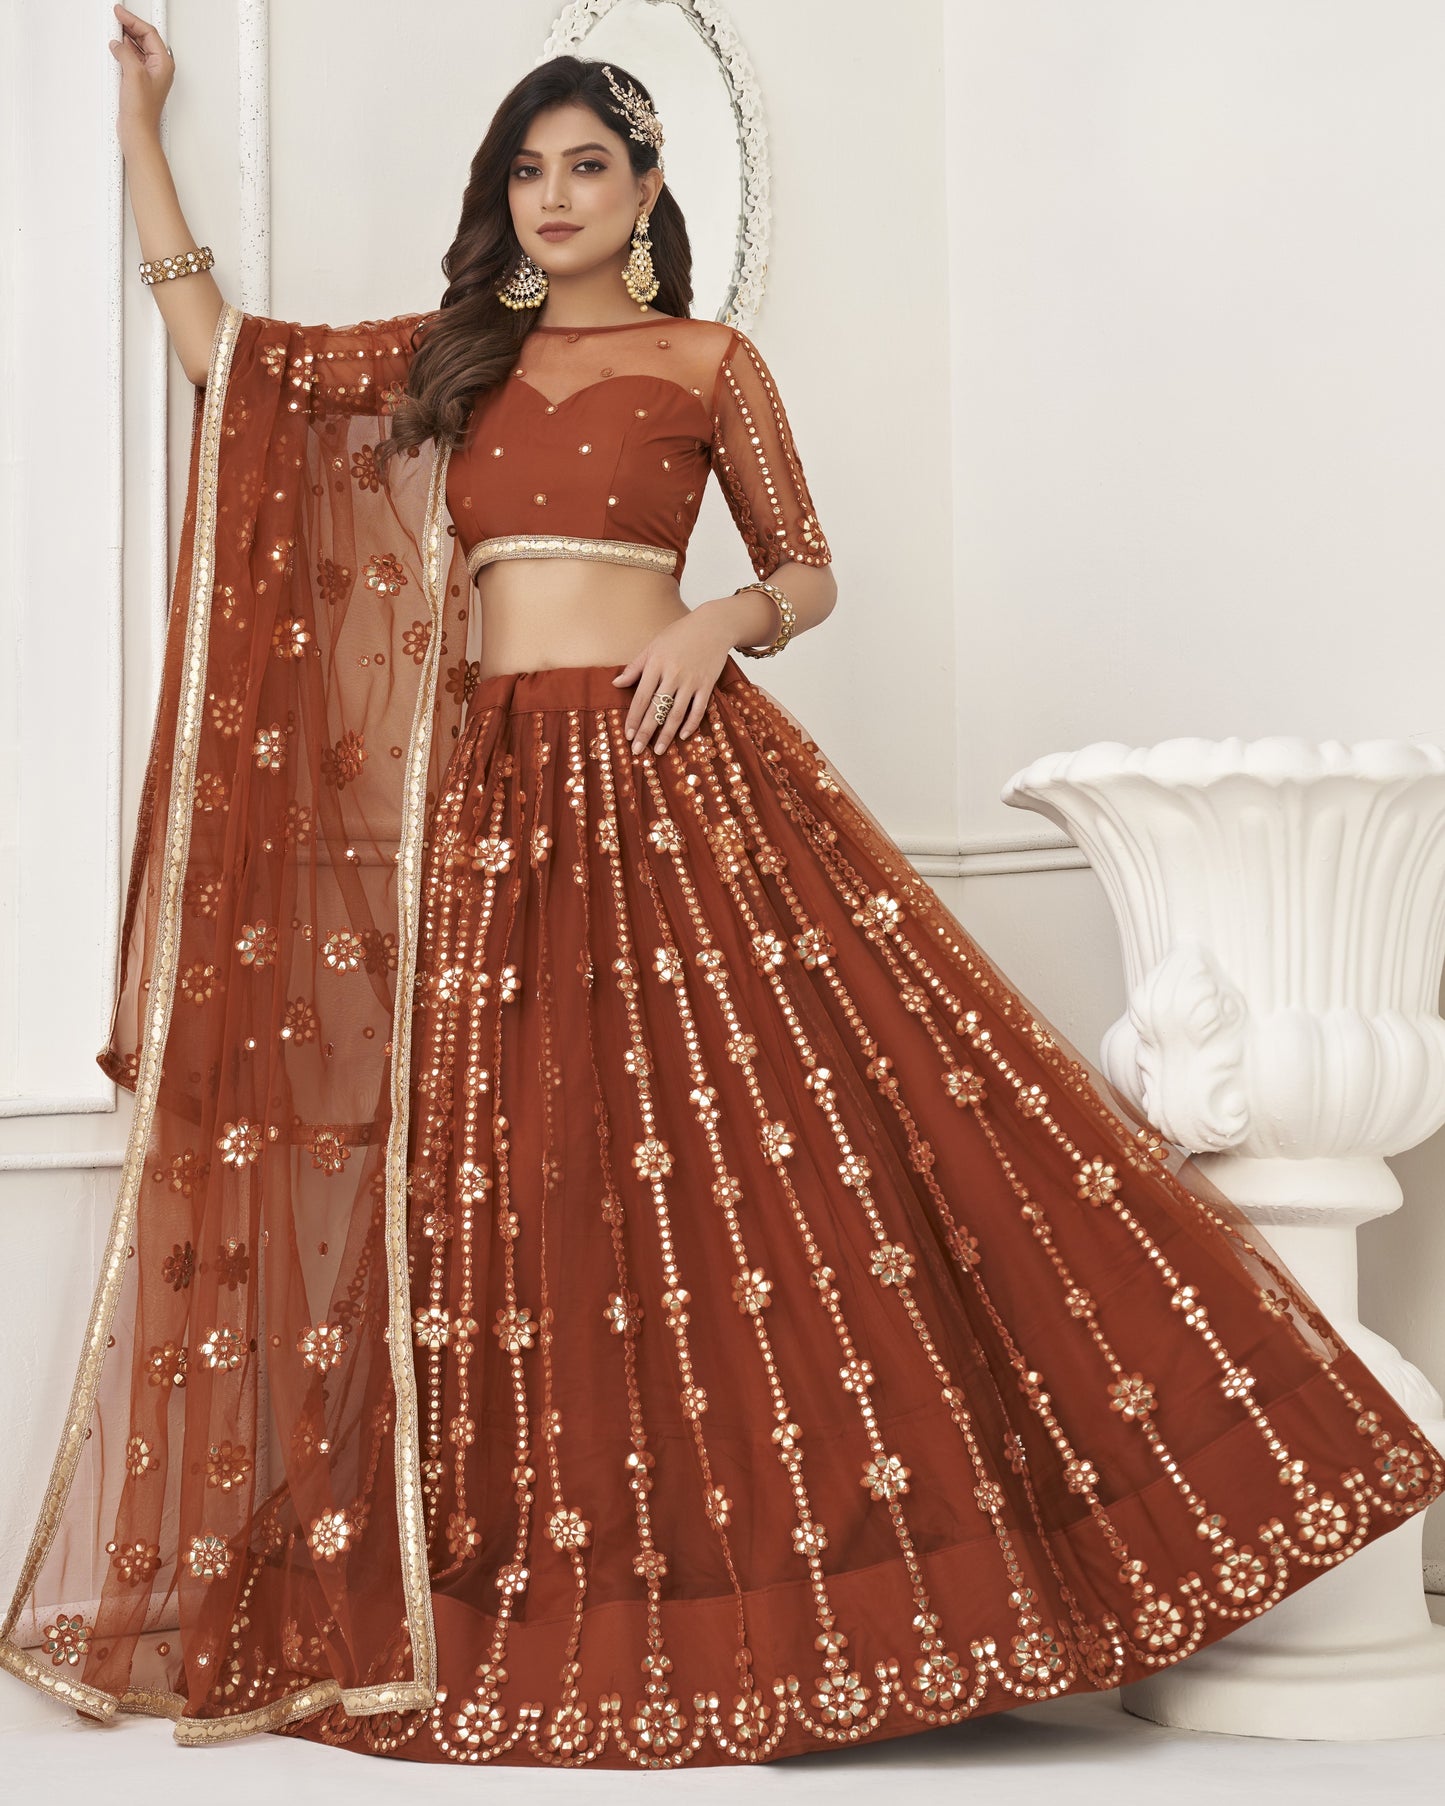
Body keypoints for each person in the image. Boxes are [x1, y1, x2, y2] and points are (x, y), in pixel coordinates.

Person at [1, 6, 1439, 1771]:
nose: (551, 195)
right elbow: (223, 355)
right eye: (524, 171)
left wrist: (714, 618)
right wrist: (143, 129)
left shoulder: (707, 363)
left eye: (584, 166)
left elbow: (811, 567)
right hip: (495, 815)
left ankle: (832, 1586)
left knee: (771, 1163)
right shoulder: (451, 357)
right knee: (524, 1180)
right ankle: (550, 1591)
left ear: (643, 185)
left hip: (677, 779)